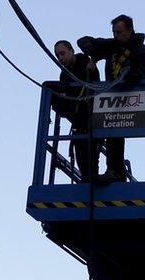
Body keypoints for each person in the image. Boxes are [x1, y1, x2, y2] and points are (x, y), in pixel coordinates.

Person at [78, 14, 145, 183]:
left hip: (131, 97)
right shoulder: (111, 45)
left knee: (116, 133)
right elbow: (83, 41)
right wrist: (94, 55)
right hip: (111, 97)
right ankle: (101, 173)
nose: (116, 36)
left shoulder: (141, 50)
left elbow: (143, 73)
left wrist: (127, 75)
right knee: (107, 131)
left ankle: (116, 171)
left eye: (120, 32)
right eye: (114, 32)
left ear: (130, 31)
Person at [48, 40, 100, 182]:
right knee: (81, 152)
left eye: (63, 53)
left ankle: (90, 179)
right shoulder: (64, 74)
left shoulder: (83, 60)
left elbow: (93, 78)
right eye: (58, 55)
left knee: (90, 151)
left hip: (91, 114)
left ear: (71, 51)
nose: (60, 58)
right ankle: (87, 179)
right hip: (79, 117)